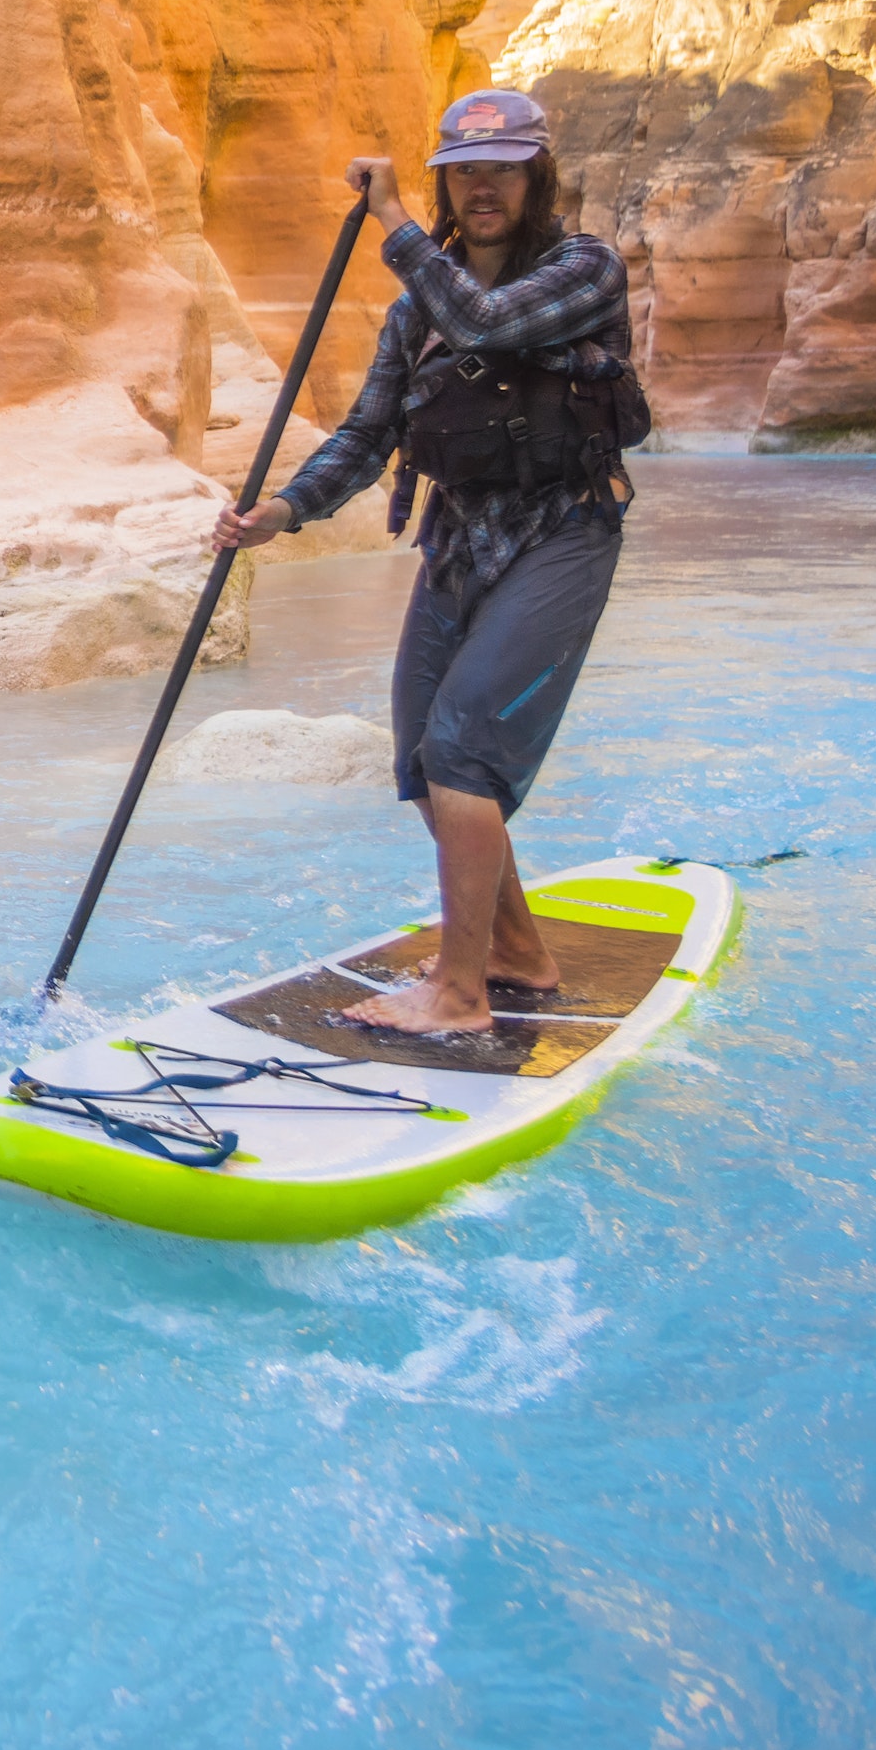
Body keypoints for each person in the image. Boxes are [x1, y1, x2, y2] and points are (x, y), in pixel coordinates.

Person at [211, 87, 643, 1037]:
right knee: (422, 757)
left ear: (537, 176)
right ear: (449, 182)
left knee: (464, 750)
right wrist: (277, 513)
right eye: (464, 172)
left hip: (564, 532)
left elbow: (487, 321)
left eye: (503, 167)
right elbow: (366, 437)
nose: (483, 186)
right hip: (459, 540)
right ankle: (517, 950)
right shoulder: (416, 314)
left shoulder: (585, 269)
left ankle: (460, 995)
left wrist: (393, 217)